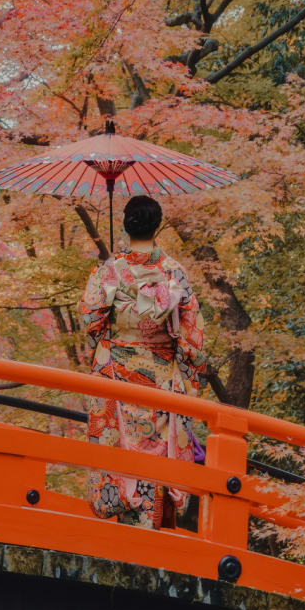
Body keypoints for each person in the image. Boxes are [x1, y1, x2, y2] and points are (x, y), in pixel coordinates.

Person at [79, 195, 207, 529]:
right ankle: (151, 526)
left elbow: (90, 322)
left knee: (119, 453)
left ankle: (125, 523)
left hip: (116, 376)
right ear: (158, 225)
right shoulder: (174, 272)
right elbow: (193, 337)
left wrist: (111, 338)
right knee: (158, 456)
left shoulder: (109, 270)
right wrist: (188, 373)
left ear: (125, 225)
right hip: (161, 381)